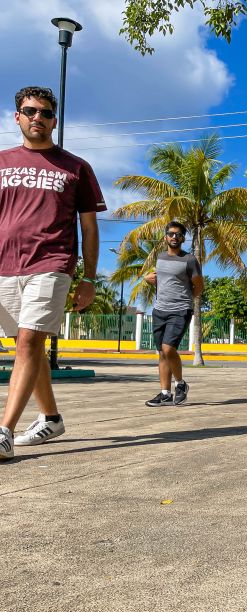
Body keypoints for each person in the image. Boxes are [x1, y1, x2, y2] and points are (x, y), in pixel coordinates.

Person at [0, 86, 106, 459]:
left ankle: (4, 432)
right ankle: (51, 417)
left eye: (45, 113)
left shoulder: (76, 168)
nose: (38, 118)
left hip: (52, 264)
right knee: (27, 346)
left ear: (54, 121)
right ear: (17, 116)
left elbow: (90, 229)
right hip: (4, 268)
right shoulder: (1, 162)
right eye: (30, 111)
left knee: (29, 342)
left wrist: (89, 279)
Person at [143, 221, 203, 407]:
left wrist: (185, 301)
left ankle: (181, 384)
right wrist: (147, 279)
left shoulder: (190, 260)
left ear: (183, 238)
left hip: (180, 310)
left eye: (178, 234)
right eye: (171, 234)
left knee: (169, 349)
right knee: (162, 353)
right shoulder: (160, 258)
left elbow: (199, 285)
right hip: (160, 309)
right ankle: (165, 393)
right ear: (165, 237)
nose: (174, 237)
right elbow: (160, 278)